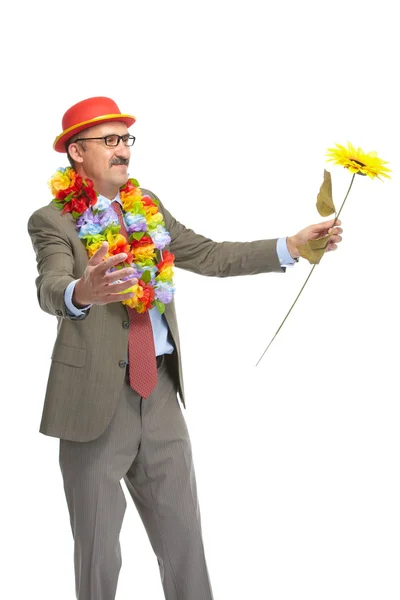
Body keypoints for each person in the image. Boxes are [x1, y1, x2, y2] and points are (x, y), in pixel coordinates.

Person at [27, 96, 343, 600]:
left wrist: (293, 244)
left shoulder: (146, 204)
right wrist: (81, 292)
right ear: (76, 153)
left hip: (159, 393)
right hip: (91, 403)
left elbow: (209, 254)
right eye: (109, 140)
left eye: (126, 138)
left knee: (184, 542)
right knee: (97, 552)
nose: (122, 149)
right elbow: (51, 284)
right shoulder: (52, 220)